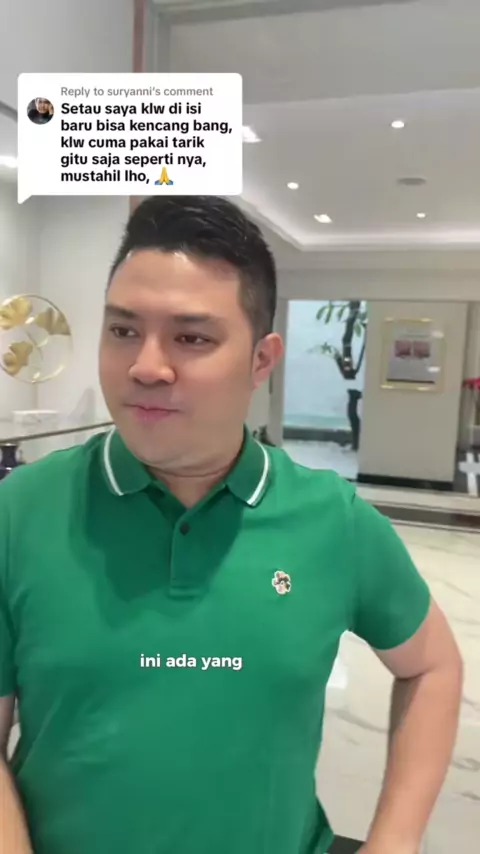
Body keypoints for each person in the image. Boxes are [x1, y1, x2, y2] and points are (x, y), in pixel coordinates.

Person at [0, 196, 463, 854]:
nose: (145, 366)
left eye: (191, 338)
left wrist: (395, 839)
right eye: (123, 330)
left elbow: (433, 665)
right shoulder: (20, 512)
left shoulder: (331, 520)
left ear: (261, 360)